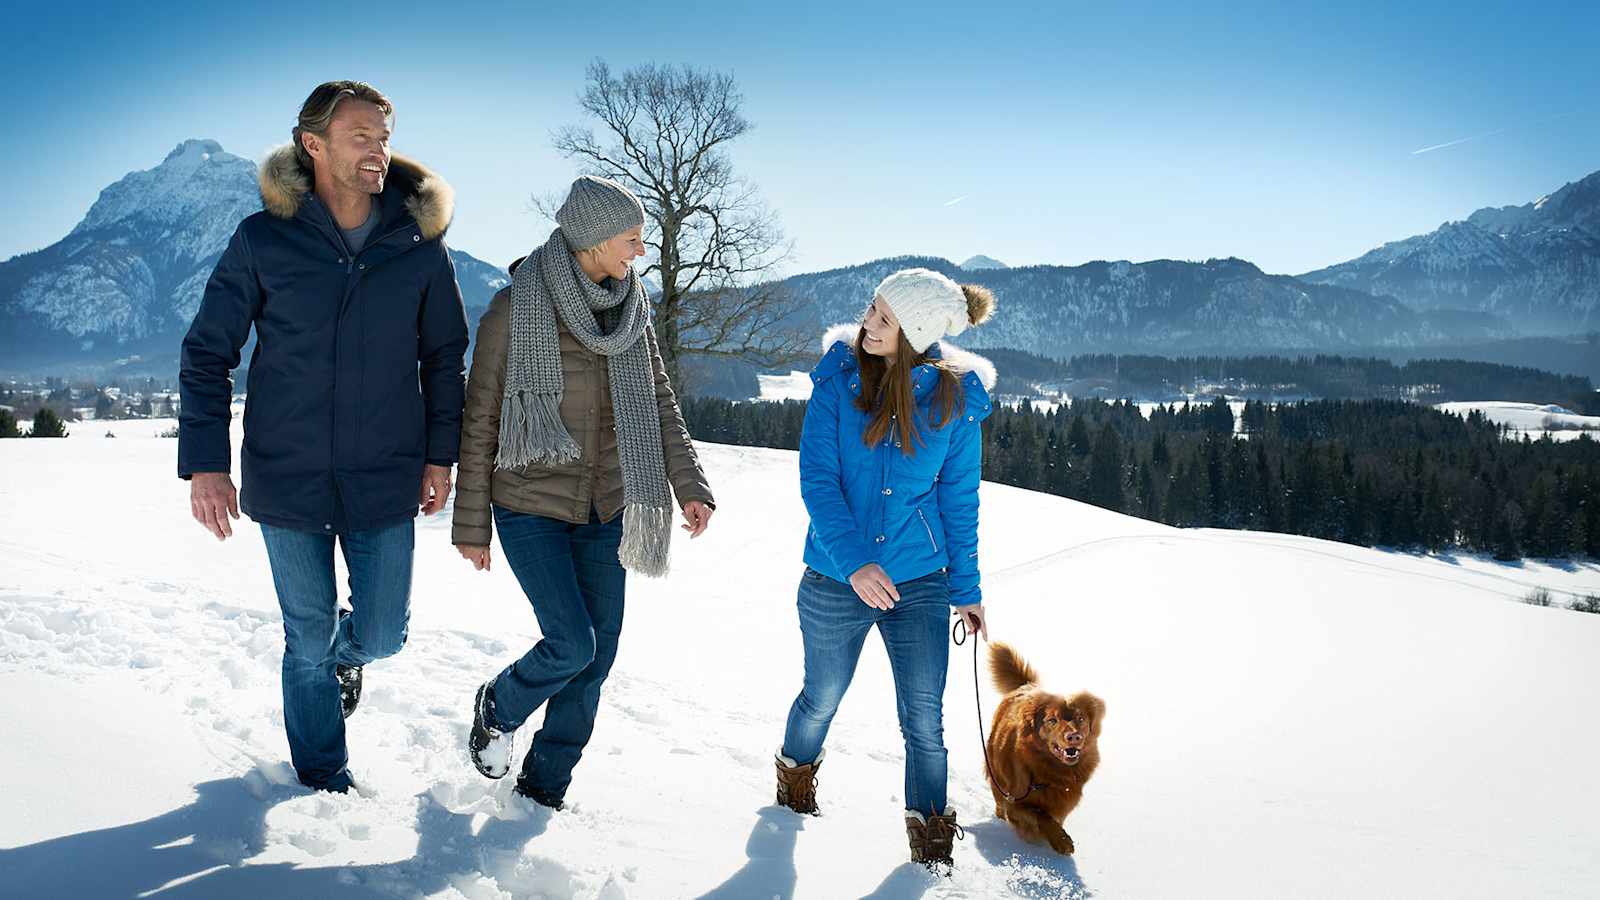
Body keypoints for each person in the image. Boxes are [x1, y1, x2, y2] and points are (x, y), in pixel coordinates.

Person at [178, 81, 468, 794]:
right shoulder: (263, 239)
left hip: (385, 475)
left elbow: (444, 358)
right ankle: (322, 776)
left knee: (382, 636)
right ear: (314, 145)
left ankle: (350, 656)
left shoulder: (420, 247)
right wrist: (206, 465)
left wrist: (440, 456)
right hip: (288, 474)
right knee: (304, 640)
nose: (379, 150)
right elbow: (208, 352)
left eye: (384, 136)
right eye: (361, 136)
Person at [452, 175, 715, 810]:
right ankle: (500, 704)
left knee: (596, 661)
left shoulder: (633, 310)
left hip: (609, 507)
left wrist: (689, 485)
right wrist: (471, 524)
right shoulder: (515, 309)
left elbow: (657, 402)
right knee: (572, 643)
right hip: (530, 506)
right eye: (632, 239)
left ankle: (544, 789)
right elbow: (481, 416)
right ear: (595, 239)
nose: (640, 253)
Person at [773, 268, 997, 867]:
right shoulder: (836, 384)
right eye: (871, 310)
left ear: (916, 333)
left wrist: (967, 590)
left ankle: (930, 837)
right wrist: (856, 565)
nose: (866, 326)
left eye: (883, 320)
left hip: (918, 582)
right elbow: (818, 483)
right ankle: (794, 777)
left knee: (925, 716)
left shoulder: (953, 402)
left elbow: (959, 501)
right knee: (821, 696)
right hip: (833, 575)